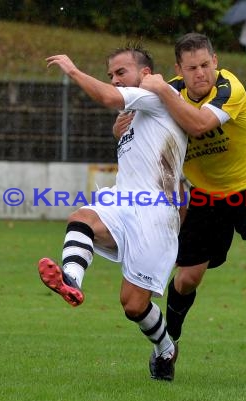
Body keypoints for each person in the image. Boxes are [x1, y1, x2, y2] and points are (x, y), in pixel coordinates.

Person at [116, 33, 246, 353]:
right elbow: (132, 122)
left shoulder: (229, 89)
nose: (201, 73)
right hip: (206, 195)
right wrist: (120, 127)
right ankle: (168, 343)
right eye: (192, 67)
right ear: (180, 68)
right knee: (187, 280)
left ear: (216, 62)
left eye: (206, 65)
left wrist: (164, 91)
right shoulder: (170, 92)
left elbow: (197, 125)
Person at [39, 45, 187, 381]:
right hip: (122, 202)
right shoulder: (133, 114)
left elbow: (108, 98)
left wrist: (74, 71)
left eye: (121, 72)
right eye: (111, 75)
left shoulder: (156, 96)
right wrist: (118, 132)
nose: (115, 80)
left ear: (145, 74)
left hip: (156, 214)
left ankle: (166, 348)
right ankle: (70, 279)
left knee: (133, 305)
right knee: (82, 218)